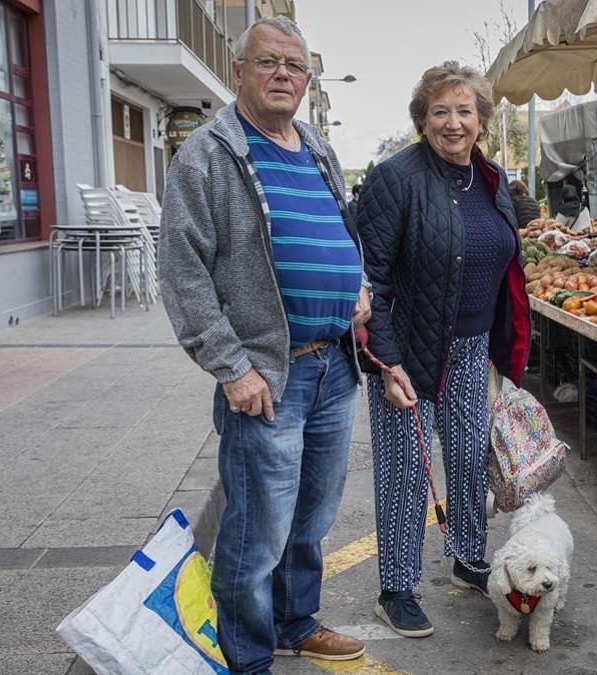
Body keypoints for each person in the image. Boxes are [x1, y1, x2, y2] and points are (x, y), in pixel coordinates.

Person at [159, 16, 370, 673]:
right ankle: (248, 655)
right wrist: (230, 366)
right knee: (256, 528)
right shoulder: (210, 152)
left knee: (312, 515)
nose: (284, 74)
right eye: (269, 62)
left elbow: (340, 226)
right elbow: (182, 271)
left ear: (307, 80)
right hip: (266, 375)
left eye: (295, 66)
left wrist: (356, 282)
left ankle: (295, 621)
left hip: (334, 363)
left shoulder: (315, 146)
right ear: (239, 72)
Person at [355, 60, 530, 639]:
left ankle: (468, 559)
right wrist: (385, 360)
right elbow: (371, 277)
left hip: (472, 345)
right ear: (422, 119)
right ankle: (396, 588)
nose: (453, 123)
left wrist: (505, 347)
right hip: (408, 348)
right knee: (405, 472)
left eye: (464, 111)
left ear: (481, 119)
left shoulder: (493, 179)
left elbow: (509, 266)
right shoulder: (396, 178)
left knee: (466, 455)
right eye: (440, 112)